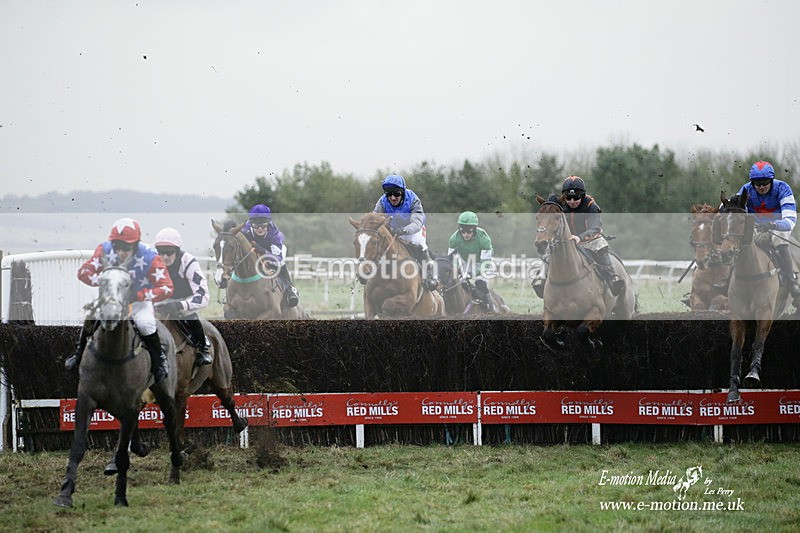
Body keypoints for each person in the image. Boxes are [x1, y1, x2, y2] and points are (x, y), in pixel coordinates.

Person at [65, 218, 173, 383]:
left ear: (136, 244)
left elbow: (167, 288)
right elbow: (83, 272)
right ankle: (79, 353)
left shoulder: (150, 257)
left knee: (145, 324)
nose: (120, 252)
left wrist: (140, 295)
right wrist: (103, 280)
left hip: (137, 302)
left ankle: (159, 360)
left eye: (126, 247)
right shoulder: (104, 249)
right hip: (111, 299)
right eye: (117, 246)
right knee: (91, 315)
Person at [531, 176, 625, 297]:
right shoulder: (559, 204)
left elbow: (595, 228)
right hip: (567, 241)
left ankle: (612, 278)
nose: (572, 201)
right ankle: (541, 278)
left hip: (589, 239)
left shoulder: (591, 206)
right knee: (550, 249)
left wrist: (579, 237)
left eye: (576, 198)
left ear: (583, 196)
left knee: (601, 245)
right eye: (568, 198)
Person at [735, 160, 800, 296]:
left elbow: (790, 221)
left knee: (780, 238)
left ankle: (791, 282)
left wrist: (772, 224)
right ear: (752, 182)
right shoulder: (746, 189)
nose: (761, 186)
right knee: (736, 239)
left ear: (771, 180)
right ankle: (727, 279)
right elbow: (734, 210)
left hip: (777, 228)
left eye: (765, 182)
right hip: (756, 229)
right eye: (757, 183)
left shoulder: (783, 188)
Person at [152, 227, 213, 366]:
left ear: (177, 251)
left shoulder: (188, 262)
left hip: (185, 302)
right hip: (161, 301)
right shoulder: (153, 262)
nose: (165, 257)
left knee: (189, 316)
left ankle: (202, 347)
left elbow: (203, 296)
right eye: (161, 252)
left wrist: (180, 305)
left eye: (169, 252)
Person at [373, 174, 438, 291]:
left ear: (402, 192)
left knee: (417, 242)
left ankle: (429, 276)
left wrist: (403, 230)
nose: (393, 198)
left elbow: (417, 222)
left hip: (413, 229)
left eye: (396, 194)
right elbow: (375, 219)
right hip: (393, 228)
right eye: (389, 194)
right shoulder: (382, 202)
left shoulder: (413, 199)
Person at [241, 204, 300, 307]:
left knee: (280, 264)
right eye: (256, 226)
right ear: (251, 224)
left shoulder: (275, 236)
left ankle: (289, 289)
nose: (260, 228)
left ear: (268, 223)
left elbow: (279, 259)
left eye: (263, 225)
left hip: (272, 251)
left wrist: (263, 251)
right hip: (253, 250)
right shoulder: (245, 230)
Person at [447, 211, 498, 312]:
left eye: (469, 232)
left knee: (480, 282)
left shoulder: (483, 238)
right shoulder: (454, 239)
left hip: (484, 262)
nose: (466, 235)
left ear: (474, 229)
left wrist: (471, 273)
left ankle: (491, 308)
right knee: (460, 282)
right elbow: (452, 260)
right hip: (466, 261)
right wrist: (458, 271)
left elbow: (485, 264)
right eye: (463, 232)